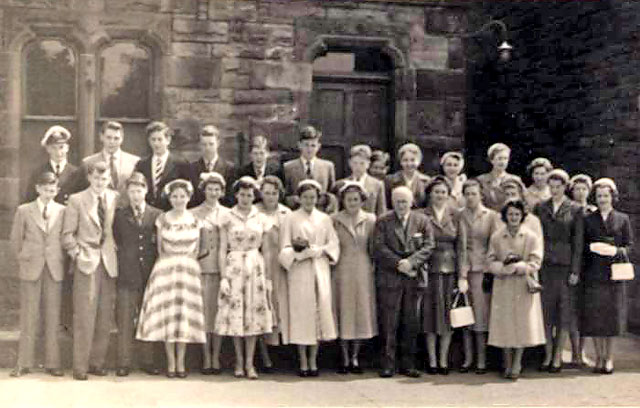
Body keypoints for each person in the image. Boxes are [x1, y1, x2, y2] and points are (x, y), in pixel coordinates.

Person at [136, 179, 206, 379]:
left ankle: (181, 362)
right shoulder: (162, 219)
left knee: (183, 315)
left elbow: (197, 249)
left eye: (182, 196)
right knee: (168, 315)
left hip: (187, 269)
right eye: (174, 196)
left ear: (188, 197)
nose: (178, 200)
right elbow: (159, 248)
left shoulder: (195, 219)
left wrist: (188, 265)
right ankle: (171, 363)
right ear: (170, 197)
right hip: (166, 268)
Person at [61, 161, 119, 381]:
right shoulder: (77, 200)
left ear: (109, 180)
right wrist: (77, 254)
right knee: (85, 314)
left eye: (104, 179)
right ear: (89, 177)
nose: (99, 183)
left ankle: (97, 362)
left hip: (108, 261)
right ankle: (80, 366)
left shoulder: (114, 198)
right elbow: (67, 235)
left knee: (105, 315)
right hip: (86, 260)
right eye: (96, 178)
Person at [279, 179, 340, 377]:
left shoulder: (324, 219)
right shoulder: (290, 218)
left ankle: (314, 360)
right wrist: (300, 254)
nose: (309, 200)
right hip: (299, 271)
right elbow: (284, 247)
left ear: (318, 198)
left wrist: (320, 250)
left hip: (319, 268)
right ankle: (303, 361)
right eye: (305, 197)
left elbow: (333, 244)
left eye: (312, 197)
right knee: (301, 314)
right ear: (298, 198)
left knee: (318, 312)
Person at [214, 176, 273, 380]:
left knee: (253, 317)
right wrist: (223, 277)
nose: (246, 198)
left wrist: (267, 278)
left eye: (249, 195)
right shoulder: (227, 217)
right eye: (242, 194)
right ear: (236, 195)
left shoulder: (261, 218)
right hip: (235, 268)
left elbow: (266, 250)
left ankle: (250, 363)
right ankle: (239, 361)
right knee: (236, 316)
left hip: (255, 268)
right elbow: (222, 249)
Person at [374, 186, 435, 378]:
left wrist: (411, 263)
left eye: (404, 201)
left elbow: (429, 245)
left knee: (411, 322)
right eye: (398, 201)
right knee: (389, 322)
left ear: (411, 202)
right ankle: (387, 364)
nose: (401, 205)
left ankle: (408, 364)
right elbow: (378, 247)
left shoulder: (422, 220)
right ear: (392, 202)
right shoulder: (383, 221)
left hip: (414, 277)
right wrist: (398, 263)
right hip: (390, 276)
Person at [10, 172, 66, 377]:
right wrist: (25, 258)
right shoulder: (24, 211)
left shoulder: (62, 211)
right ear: (37, 189)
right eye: (44, 189)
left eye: (52, 190)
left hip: (53, 268)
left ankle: (53, 363)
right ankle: (24, 362)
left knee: (53, 316)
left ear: (57, 191)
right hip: (31, 268)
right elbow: (16, 240)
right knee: (29, 316)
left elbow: (63, 237)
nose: (48, 194)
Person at [487, 199, 546, 380]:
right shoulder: (497, 236)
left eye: (517, 215)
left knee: (521, 323)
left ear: (522, 217)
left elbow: (536, 260)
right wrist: (503, 269)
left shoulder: (531, 236)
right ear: (505, 216)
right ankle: (506, 361)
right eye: (510, 214)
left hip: (522, 283)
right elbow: (490, 260)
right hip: (504, 283)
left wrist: (522, 267)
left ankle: (517, 362)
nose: (513, 218)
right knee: (504, 323)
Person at [112, 172, 163, 377]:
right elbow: (115, 242)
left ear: (146, 191)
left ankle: (147, 360)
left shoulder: (157, 214)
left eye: (139, 190)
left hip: (150, 274)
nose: (135, 194)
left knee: (148, 318)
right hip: (127, 273)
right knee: (125, 319)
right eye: (132, 191)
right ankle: (123, 362)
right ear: (127, 192)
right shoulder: (119, 215)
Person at [533, 169, 584, 373]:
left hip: (565, 267)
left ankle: (557, 357)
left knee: (564, 312)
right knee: (546, 312)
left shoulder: (575, 209)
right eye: (551, 187)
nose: (554, 190)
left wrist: (575, 270)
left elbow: (578, 242)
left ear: (565, 187)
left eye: (558, 187)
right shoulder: (540, 207)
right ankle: (547, 354)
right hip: (545, 266)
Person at [581, 178, 633, 375]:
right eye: (599, 196)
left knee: (611, 317)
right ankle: (599, 357)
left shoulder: (622, 219)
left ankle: (609, 358)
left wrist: (617, 251)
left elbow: (630, 245)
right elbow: (582, 245)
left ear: (613, 197)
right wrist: (592, 247)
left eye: (606, 195)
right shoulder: (588, 220)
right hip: (594, 274)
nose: (602, 199)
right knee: (596, 317)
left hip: (613, 274)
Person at [421, 176, 468, 375]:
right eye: (436, 192)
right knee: (430, 316)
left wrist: (462, 276)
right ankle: (432, 361)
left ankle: (443, 360)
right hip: (428, 270)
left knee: (448, 316)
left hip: (450, 270)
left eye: (443, 192)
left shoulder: (456, 215)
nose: (440, 195)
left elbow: (462, 248)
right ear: (430, 194)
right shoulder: (421, 215)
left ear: (449, 195)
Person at [331, 181, 378, 374]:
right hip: (341, 269)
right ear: (343, 200)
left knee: (360, 312)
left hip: (363, 269)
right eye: (349, 199)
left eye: (356, 199)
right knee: (344, 310)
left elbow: (373, 247)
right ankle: (343, 357)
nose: (352, 202)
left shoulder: (371, 219)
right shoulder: (334, 219)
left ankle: (355, 357)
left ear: (362, 201)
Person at [459, 179, 501, 375]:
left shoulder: (491, 216)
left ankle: (482, 360)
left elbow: (494, 245)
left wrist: (488, 269)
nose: (470, 197)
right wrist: (461, 273)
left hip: (483, 272)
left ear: (481, 195)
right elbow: (459, 246)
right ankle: (468, 358)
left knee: (481, 317)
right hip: (463, 270)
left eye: (474, 194)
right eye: (467, 194)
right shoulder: (459, 215)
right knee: (465, 316)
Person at [190, 172, 230, 376]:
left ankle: (217, 356)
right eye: (209, 189)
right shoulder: (194, 213)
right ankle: (206, 357)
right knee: (204, 313)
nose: (213, 193)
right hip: (201, 268)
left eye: (217, 189)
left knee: (218, 314)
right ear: (203, 190)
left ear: (222, 192)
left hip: (220, 269)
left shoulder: (228, 214)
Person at [256, 176, 292, 371]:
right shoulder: (254, 211)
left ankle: (283, 353)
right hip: (260, 265)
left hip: (282, 268)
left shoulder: (287, 213)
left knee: (282, 307)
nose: (270, 196)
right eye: (267, 192)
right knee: (263, 307)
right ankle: (264, 355)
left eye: (274, 193)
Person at [568, 173, 596, 365]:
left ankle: (582, 351)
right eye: (577, 188)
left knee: (585, 310)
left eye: (584, 188)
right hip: (572, 263)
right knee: (572, 310)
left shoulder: (594, 211)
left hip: (590, 265)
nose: (580, 192)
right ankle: (574, 352)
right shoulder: (568, 210)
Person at [134, 121, 191, 210]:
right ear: (149, 141)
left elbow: (187, 191)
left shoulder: (180, 164)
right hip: (149, 212)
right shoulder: (142, 164)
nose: (156, 144)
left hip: (171, 211)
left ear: (168, 140)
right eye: (153, 139)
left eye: (160, 139)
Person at [79, 121, 140, 202]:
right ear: (101, 137)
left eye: (116, 138)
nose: (112, 142)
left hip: (126, 211)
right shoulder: (88, 162)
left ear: (122, 139)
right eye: (108, 137)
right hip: (99, 210)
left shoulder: (134, 162)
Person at [25, 125, 79, 205]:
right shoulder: (39, 173)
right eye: (54, 148)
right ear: (48, 149)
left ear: (67, 148)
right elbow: (30, 201)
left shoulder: (76, 173)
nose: (58, 152)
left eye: (61, 147)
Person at [283, 125, 336, 208]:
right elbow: (285, 195)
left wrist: (325, 199)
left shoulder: (328, 166)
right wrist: (293, 199)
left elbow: (332, 194)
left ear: (318, 146)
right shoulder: (288, 167)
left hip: (320, 214)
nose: (309, 149)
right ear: (299, 145)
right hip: (297, 212)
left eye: (313, 145)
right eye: (306, 145)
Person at [189, 125, 236, 207]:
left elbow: (231, 198)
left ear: (218, 143)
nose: (207, 148)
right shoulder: (192, 168)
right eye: (204, 144)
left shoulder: (229, 168)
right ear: (200, 145)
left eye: (211, 144)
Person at [334, 144, 386, 216]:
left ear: (368, 164)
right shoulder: (340, 184)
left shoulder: (377, 185)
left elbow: (381, 212)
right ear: (350, 163)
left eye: (362, 163)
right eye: (355, 163)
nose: (358, 167)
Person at [477, 143, 523, 212]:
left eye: (505, 158)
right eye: (499, 158)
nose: (502, 162)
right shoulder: (481, 180)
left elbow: (523, 203)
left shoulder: (515, 180)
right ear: (492, 160)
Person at [384, 143, 431, 209]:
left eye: (412, 160)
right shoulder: (390, 180)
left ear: (419, 161)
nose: (409, 164)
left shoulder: (426, 181)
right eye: (405, 160)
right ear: (400, 162)